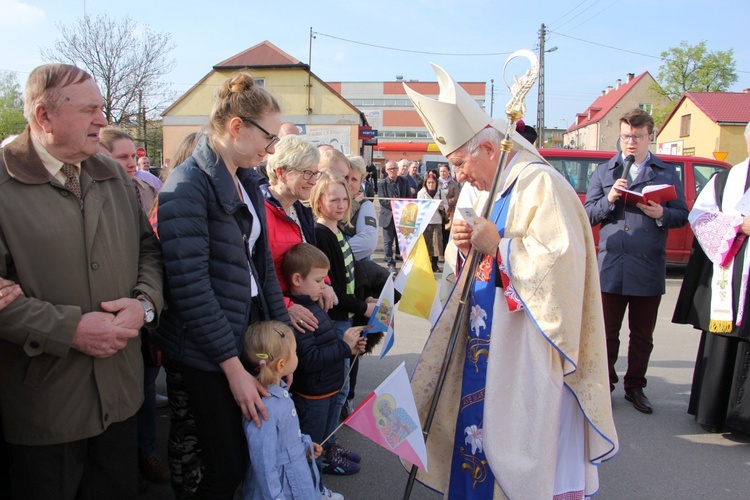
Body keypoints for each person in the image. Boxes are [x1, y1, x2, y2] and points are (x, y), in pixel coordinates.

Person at [403, 63, 617, 499]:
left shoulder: (542, 184)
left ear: (487, 147)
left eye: (460, 163)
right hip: (487, 338)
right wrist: (466, 245)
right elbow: (474, 260)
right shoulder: (490, 185)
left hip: (525, 349)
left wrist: (497, 244)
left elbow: (559, 266)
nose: (458, 175)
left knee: (516, 445)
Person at [0, 63, 164, 498]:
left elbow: (148, 250)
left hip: (121, 396)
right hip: (47, 405)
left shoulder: (111, 175)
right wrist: (68, 329)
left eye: (102, 108)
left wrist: (143, 305)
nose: (103, 121)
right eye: (89, 110)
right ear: (43, 116)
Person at [155, 72, 290, 498]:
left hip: (238, 334)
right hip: (203, 352)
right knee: (222, 464)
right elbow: (190, 287)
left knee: (243, 455)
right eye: (269, 139)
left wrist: (284, 339)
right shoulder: (187, 186)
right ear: (236, 127)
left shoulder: (245, 180)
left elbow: (261, 266)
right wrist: (232, 367)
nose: (271, 151)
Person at [584, 108, 688, 414]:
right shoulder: (606, 171)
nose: (630, 142)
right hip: (612, 266)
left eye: (637, 137)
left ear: (649, 137)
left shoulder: (666, 172)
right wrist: (610, 200)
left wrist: (662, 215)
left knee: (642, 336)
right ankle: (605, 387)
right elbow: (588, 214)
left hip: (648, 265)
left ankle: (636, 387)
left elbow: (682, 215)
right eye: (626, 135)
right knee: (606, 334)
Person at [98, 126, 170, 486]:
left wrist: (145, 300)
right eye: (122, 157)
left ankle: (144, 453)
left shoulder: (140, 190)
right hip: (106, 313)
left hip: (141, 309)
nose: (133, 163)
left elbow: (148, 250)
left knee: (141, 387)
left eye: (133, 156)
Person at [673, 122, 750, 434]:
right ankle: (713, 413)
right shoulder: (726, 179)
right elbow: (701, 217)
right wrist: (737, 226)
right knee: (722, 340)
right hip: (729, 275)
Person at [281, 243, 366, 497]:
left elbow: (325, 347)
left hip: (325, 392)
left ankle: (315, 487)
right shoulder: (301, 314)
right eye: (319, 280)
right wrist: (343, 347)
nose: (324, 285)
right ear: (297, 279)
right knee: (311, 449)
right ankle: (312, 491)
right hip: (313, 396)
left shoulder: (312, 303)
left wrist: (349, 349)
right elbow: (310, 360)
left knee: (320, 444)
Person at [311, 171, 376, 476]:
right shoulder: (322, 234)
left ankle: (330, 443)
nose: (340, 204)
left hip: (345, 317)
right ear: (318, 201)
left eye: (344, 198)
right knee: (336, 388)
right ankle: (323, 450)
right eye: (333, 199)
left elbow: (349, 281)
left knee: (342, 386)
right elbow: (335, 289)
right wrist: (364, 306)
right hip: (336, 319)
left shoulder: (338, 231)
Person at [241, 320, 326, 500]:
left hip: (295, 474)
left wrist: (304, 447)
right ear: (281, 365)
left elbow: (284, 440)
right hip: (284, 486)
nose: (297, 355)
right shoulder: (266, 408)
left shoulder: (279, 392)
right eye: (295, 352)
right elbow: (263, 462)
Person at [263, 134, 337, 334]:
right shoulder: (260, 212)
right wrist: (285, 305)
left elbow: (311, 259)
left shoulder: (301, 211)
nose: (313, 181)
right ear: (281, 172)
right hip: (277, 319)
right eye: (307, 173)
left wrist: (325, 284)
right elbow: (258, 273)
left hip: (302, 308)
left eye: (316, 173)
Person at [340, 155, 378, 261]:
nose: (348, 183)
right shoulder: (325, 200)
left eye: (354, 179)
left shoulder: (365, 206)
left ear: (361, 181)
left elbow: (367, 242)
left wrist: (334, 256)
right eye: (345, 177)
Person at [378, 160, 410, 272]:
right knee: (388, 241)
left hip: (402, 216)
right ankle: (390, 263)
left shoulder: (404, 181)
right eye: (390, 169)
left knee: (403, 240)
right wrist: (396, 206)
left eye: (394, 168)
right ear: (386, 171)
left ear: (398, 169)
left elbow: (408, 197)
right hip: (388, 216)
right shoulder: (382, 183)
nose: (392, 171)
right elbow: (382, 200)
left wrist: (402, 207)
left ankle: (406, 262)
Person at [417, 171, 448, 272]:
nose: (431, 184)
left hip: (437, 221)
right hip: (425, 222)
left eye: (433, 182)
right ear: (426, 183)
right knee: (426, 244)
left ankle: (434, 264)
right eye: (429, 182)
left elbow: (446, 205)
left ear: (436, 183)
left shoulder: (440, 192)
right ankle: (425, 265)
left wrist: (443, 207)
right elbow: (419, 206)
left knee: (436, 244)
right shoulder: (421, 193)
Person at [437, 163, 460, 254]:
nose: (442, 173)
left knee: (447, 232)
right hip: (439, 210)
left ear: (448, 172)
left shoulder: (453, 183)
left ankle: (446, 252)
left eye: (444, 171)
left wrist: (446, 202)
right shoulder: (436, 182)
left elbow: (457, 196)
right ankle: (439, 253)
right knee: (439, 232)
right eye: (441, 171)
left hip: (450, 211)